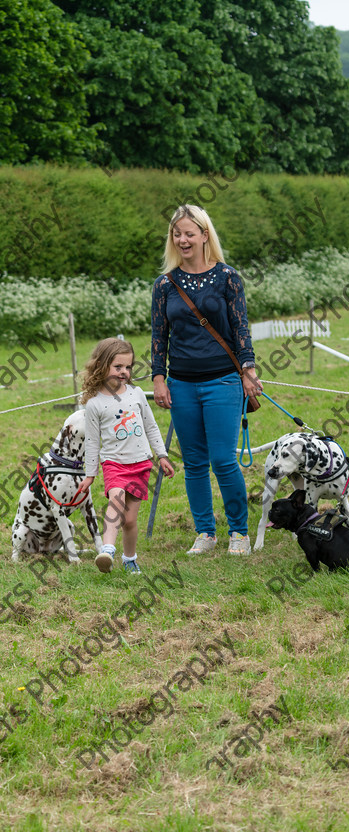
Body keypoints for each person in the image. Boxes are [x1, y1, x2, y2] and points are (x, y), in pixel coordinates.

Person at [151, 204, 262, 555]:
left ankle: (239, 533)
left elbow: (241, 327)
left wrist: (248, 370)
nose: (182, 239)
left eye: (189, 233)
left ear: (204, 235)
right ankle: (205, 532)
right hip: (181, 384)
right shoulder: (164, 284)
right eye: (177, 234)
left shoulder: (228, 277)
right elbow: (158, 335)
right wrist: (158, 378)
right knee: (194, 462)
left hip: (223, 382)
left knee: (223, 459)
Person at [78, 338, 175, 574]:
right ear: (102, 366)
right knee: (116, 500)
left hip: (141, 463)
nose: (124, 372)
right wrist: (90, 475)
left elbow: (151, 426)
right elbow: (91, 442)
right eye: (118, 367)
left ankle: (129, 558)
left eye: (128, 367)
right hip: (114, 464)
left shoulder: (137, 394)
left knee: (130, 521)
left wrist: (161, 455)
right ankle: (107, 550)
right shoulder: (94, 404)